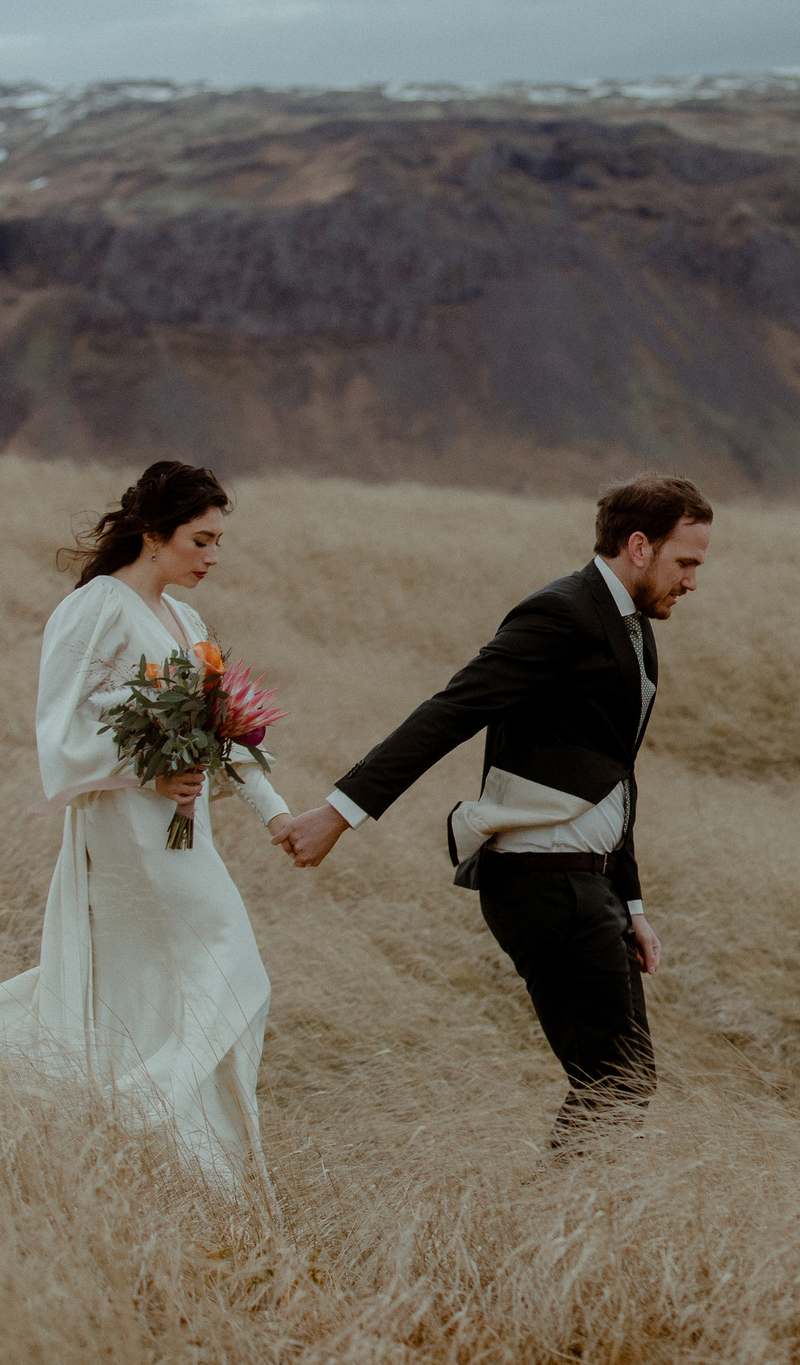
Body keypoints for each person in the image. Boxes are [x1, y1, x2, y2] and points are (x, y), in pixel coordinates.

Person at [275, 473, 712, 1148]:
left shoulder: (632, 627)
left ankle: (572, 1233)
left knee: (622, 1081)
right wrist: (339, 811)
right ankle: (556, 1238)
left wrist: (632, 904)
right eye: (686, 562)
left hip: (589, 882)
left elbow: (612, 772)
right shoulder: (561, 613)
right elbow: (454, 709)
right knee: (617, 1080)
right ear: (639, 546)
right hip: (543, 881)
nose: (692, 581)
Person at [0, 461, 296, 1188]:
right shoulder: (95, 606)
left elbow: (221, 731)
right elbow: (57, 731)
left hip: (181, 829)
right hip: (124, 829)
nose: (213, 557)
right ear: (154, 534)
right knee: (233, 971)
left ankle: (189, 1166)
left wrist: (277, 815)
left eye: (220, 542)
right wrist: (148, 772)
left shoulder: (185, 621)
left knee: (154, 983)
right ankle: (140, 1117)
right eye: (201, 540)